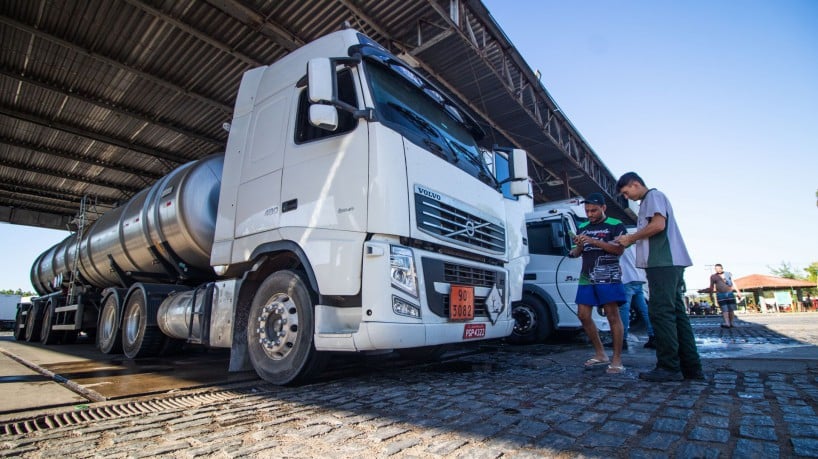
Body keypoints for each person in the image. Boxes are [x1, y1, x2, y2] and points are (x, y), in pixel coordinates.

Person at [614, 172, 704, 382]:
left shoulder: (653, 196)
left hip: (662, 262)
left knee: (661, 313)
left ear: (636, 184)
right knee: (677, 315)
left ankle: (668, 366)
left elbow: (657, 225)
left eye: (627, 192)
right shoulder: (652, 199)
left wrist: (630, 238)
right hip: (669, 264)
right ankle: (691, 366)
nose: (627, 197)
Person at [567, 192, 627, 374]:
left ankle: (617, 359)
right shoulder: (582, 226)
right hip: (586, 276)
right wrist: (579, 245)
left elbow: (618, 250)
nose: (590, 214)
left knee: (612, 315)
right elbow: (575, 254)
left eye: (594, 210)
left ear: (603, 208)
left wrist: (594, 241)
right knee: (583, 315)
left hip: (608, 275)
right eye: (587, 211)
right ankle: (600, 354)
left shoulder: (616, 225)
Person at [612, 243, 656, 349]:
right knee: (644, 310)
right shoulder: (634, 243)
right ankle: (653, 336)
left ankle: (622, 340)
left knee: (624, 309)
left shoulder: (620, 242)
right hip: (639, 278)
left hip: (627, 279)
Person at [710, 264, 742, 328]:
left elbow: (733, 283)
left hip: (729, 292)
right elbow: (711, 286)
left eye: (719, 268)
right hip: (720, 294)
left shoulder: (728, 274)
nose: (718, 270)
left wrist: (738, 292)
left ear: (722, 268)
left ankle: (731, 322)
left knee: (731, 309)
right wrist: (711, 295)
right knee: (724, 309)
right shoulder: (713, 276)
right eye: (716, 269)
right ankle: (727, 323)